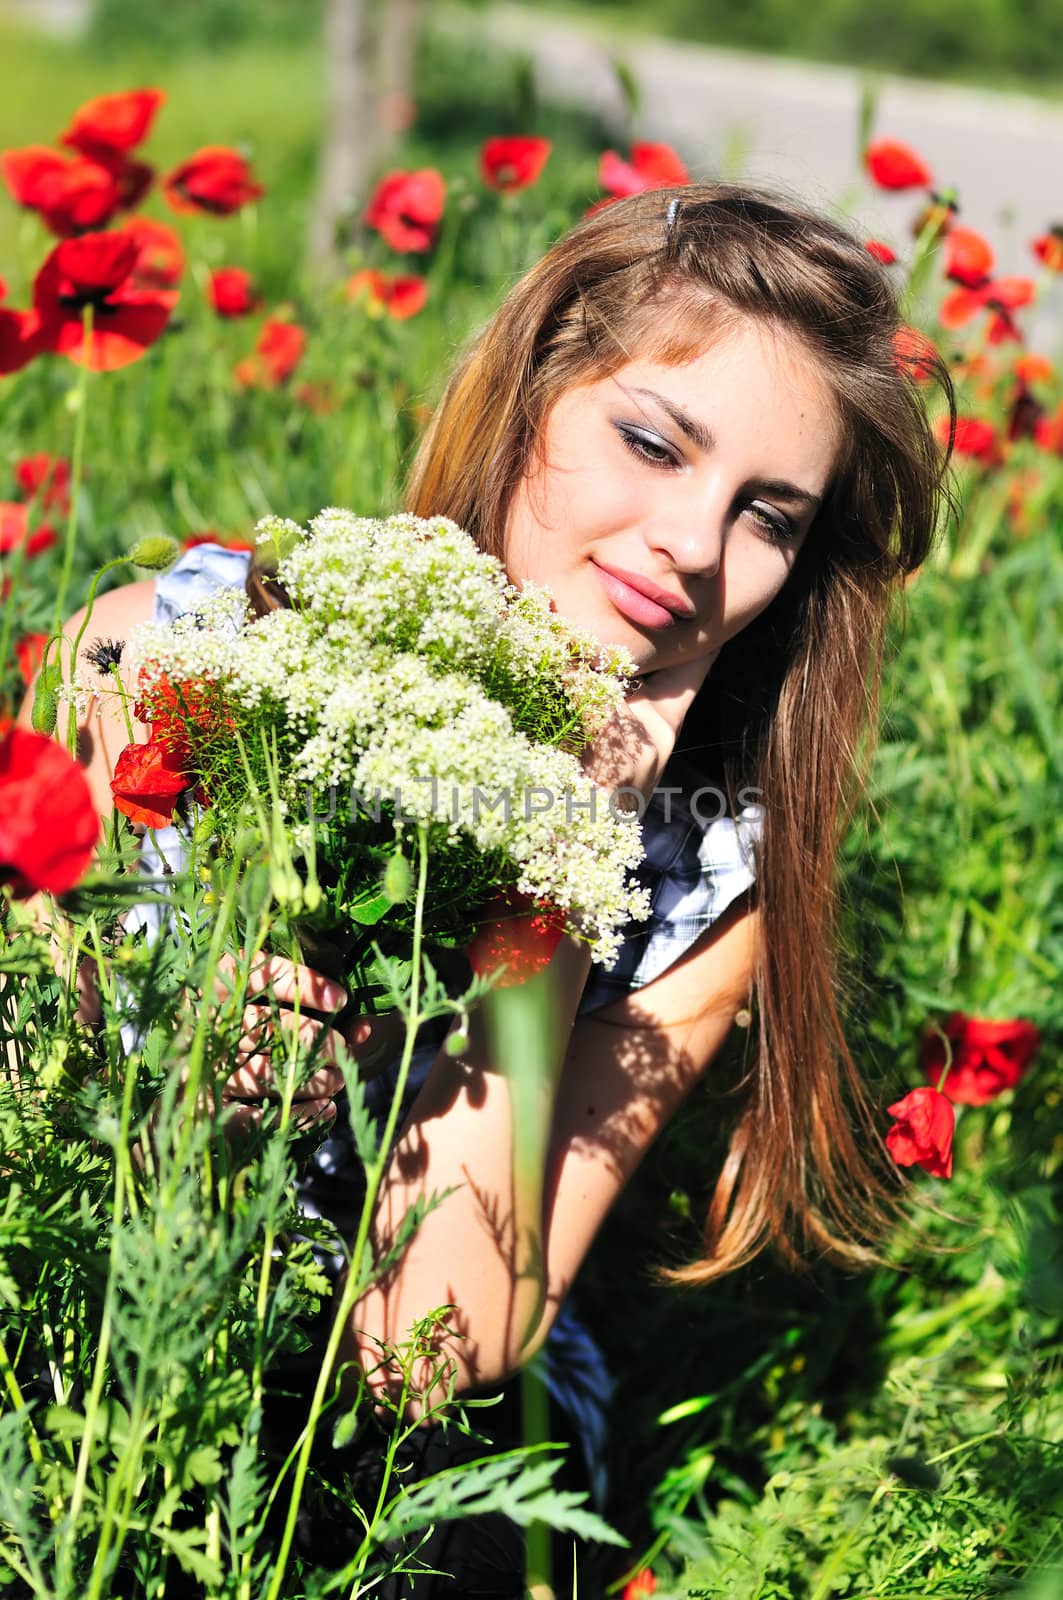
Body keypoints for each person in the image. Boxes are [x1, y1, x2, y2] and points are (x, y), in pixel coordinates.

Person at [35, 181, 949, 1593]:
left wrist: (556, 867)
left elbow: (436, 1345)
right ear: (532, 398)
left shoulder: (714, 874)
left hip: (437, 1449)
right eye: (650, 442)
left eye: (766, 517)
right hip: (96, 1319)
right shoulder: (166, 653)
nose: (695, 550)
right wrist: (191, 1088)